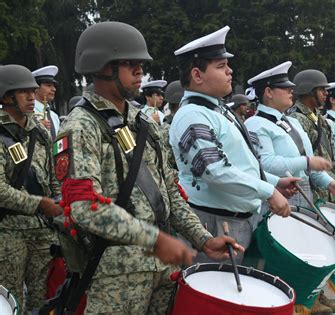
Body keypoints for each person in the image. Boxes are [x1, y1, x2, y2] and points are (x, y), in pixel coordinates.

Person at [58, 21, 241, 314]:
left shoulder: (143, 121)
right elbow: (84, 206)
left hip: (163, 267)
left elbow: (169, 190)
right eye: (130, 64)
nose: (140, 71)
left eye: (141, 64)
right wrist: (154, 240)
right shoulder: (80, 125)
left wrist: (203, 239)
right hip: (119, 273)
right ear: (101, 66)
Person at [169, 26, 298, 265]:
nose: (230, 71)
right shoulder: (193, 116)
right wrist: (268, 192)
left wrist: (274, 182)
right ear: (197, 75)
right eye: (221, 66)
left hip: (233, 220)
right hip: (215, 224)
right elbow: (215, 171)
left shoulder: (215, 110)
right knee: (214, 295)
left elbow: (240, 163)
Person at [244, 61, 335, 314]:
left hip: (302, 194)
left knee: (304, 250)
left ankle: (306, 299)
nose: (291, 91)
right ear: (268, 92)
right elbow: (265, 163)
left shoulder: (291, 123)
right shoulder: (255, 125)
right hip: (278, 196)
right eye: (284, 87)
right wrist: (306, 161)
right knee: (281, 256)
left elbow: (308, 167)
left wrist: (329, 181)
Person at [0, 64, 63, 313]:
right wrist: (38, 203)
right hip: (8, 233)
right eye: (22, 92)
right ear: (6, 97)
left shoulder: (39, 130)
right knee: (10, 299)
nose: (30, 97)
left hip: (43, 231)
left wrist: (58, 198)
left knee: (43, 301)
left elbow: (53, 174)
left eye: (31, 91)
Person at [289, 69, 335, 202]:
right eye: (322, 89)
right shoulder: (296, 119)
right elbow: (306, 158)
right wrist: (331, 178)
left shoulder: (318, 117)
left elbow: (329, 153)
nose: (326, 93)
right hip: (314, 191)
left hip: (328, 187)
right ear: (309, 91)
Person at [32, 65, 61, 139]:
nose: (53, 89)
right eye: (48, 85)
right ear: (36, 87)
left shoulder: (54, 116)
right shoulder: (28, 113)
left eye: (54, 86)